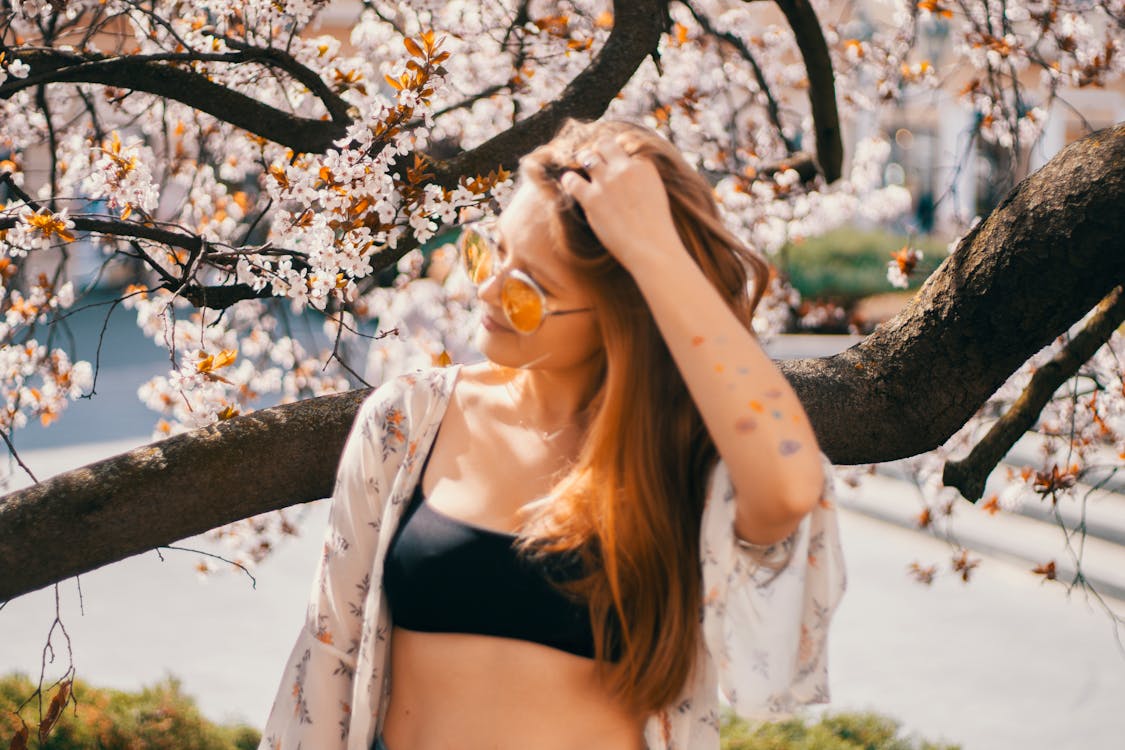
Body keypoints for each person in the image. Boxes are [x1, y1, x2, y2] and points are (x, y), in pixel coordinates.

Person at [259, 118, 846, 750]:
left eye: (528, 290)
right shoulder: (410, 420)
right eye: (491, 251)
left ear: (625, 310)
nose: (485, 288)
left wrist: (655, 251)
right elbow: (329, 661)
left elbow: (789, 488)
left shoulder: (683, 463)